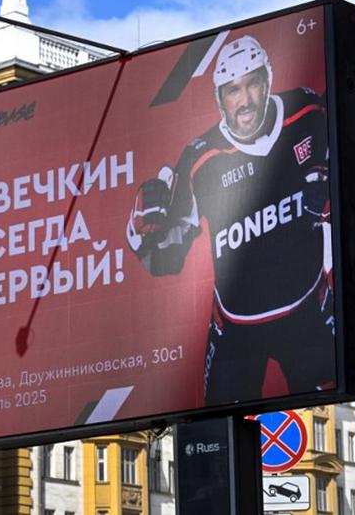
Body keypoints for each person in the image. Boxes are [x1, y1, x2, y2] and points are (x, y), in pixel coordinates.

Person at [126, 34, 335, 405]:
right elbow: (163, 261)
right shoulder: (199, 158)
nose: (245, 100)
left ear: (268, 80)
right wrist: (141, 228)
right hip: (235, 329)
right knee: (217, 435)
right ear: (218, 99)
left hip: (308, 308)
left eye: (253, 83)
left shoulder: (308, 111)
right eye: (232, 90)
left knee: (336, 408)